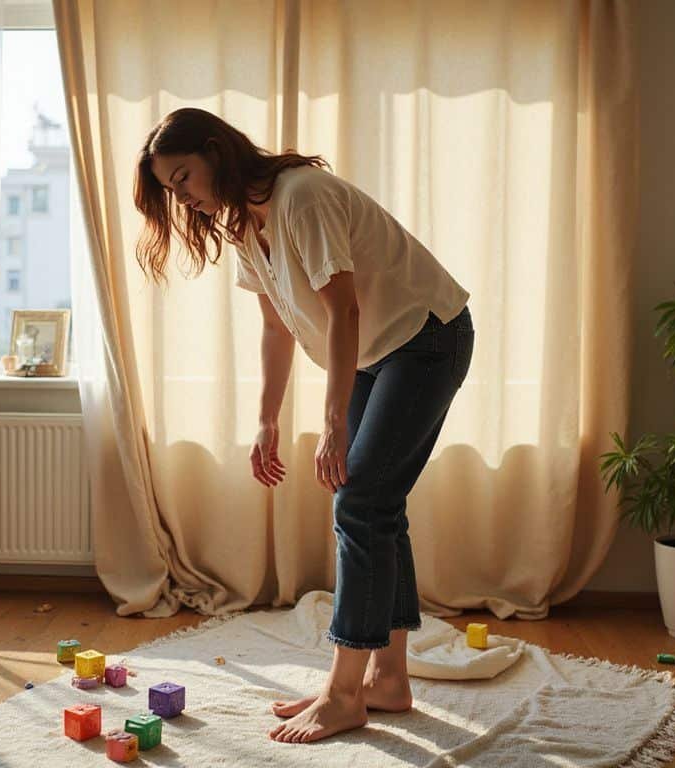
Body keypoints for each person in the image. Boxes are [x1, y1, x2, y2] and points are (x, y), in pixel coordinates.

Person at [134, 107, 473, 744]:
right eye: (172, 190)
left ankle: (343, 693)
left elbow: (340, 310)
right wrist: (266, 421)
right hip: (375, 351)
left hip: (427, 337)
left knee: (361, 500)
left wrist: (331, 426)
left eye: (184, 178)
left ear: (216, 151)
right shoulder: (241, 223)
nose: (183, 198)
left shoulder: (301, 197)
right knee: (377, 503)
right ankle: (387, 679)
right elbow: (275, 325)